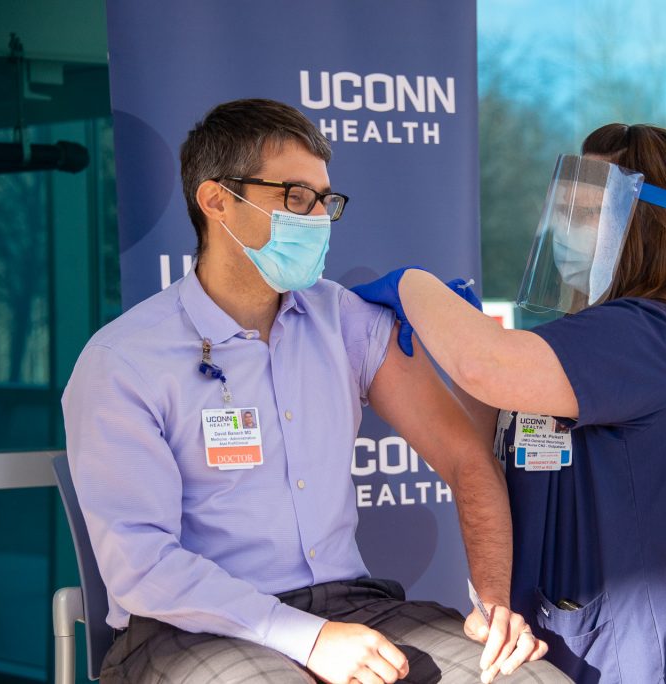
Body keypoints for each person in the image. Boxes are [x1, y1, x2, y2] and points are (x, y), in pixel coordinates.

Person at [62, 99, 567, 684]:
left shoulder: (345, 321)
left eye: (325, 200)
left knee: (531, 680)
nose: (317, 217)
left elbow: (465, 458)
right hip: (190, 629)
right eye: (295, 197)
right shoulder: (124, 360)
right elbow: (140, 565)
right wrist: (308, 640)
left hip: (353, 607)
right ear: (217, 199)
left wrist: (493, 606)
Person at [351, 123, 666, 682]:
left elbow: (487, 365)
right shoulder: (606, 339)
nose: (562, 225)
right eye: (565, 206)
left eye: (587, 211)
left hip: (656, 652)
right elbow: (492, 440)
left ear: (640, 223)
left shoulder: (647, 334)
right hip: (590, 644)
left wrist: (412, 286)